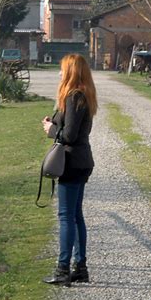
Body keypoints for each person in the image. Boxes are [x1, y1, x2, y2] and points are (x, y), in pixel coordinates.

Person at [41, 54, 98, 287]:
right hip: (81, 162)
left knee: (66, 216)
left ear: (72, 72)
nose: (60, 74)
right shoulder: (83, 96)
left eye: (63, 70)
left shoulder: (75, 97)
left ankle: (63, 269)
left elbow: (70, 135)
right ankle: (80, 267)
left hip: (72, 163)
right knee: (76, 215)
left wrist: (51, 130)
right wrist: (54, 122)